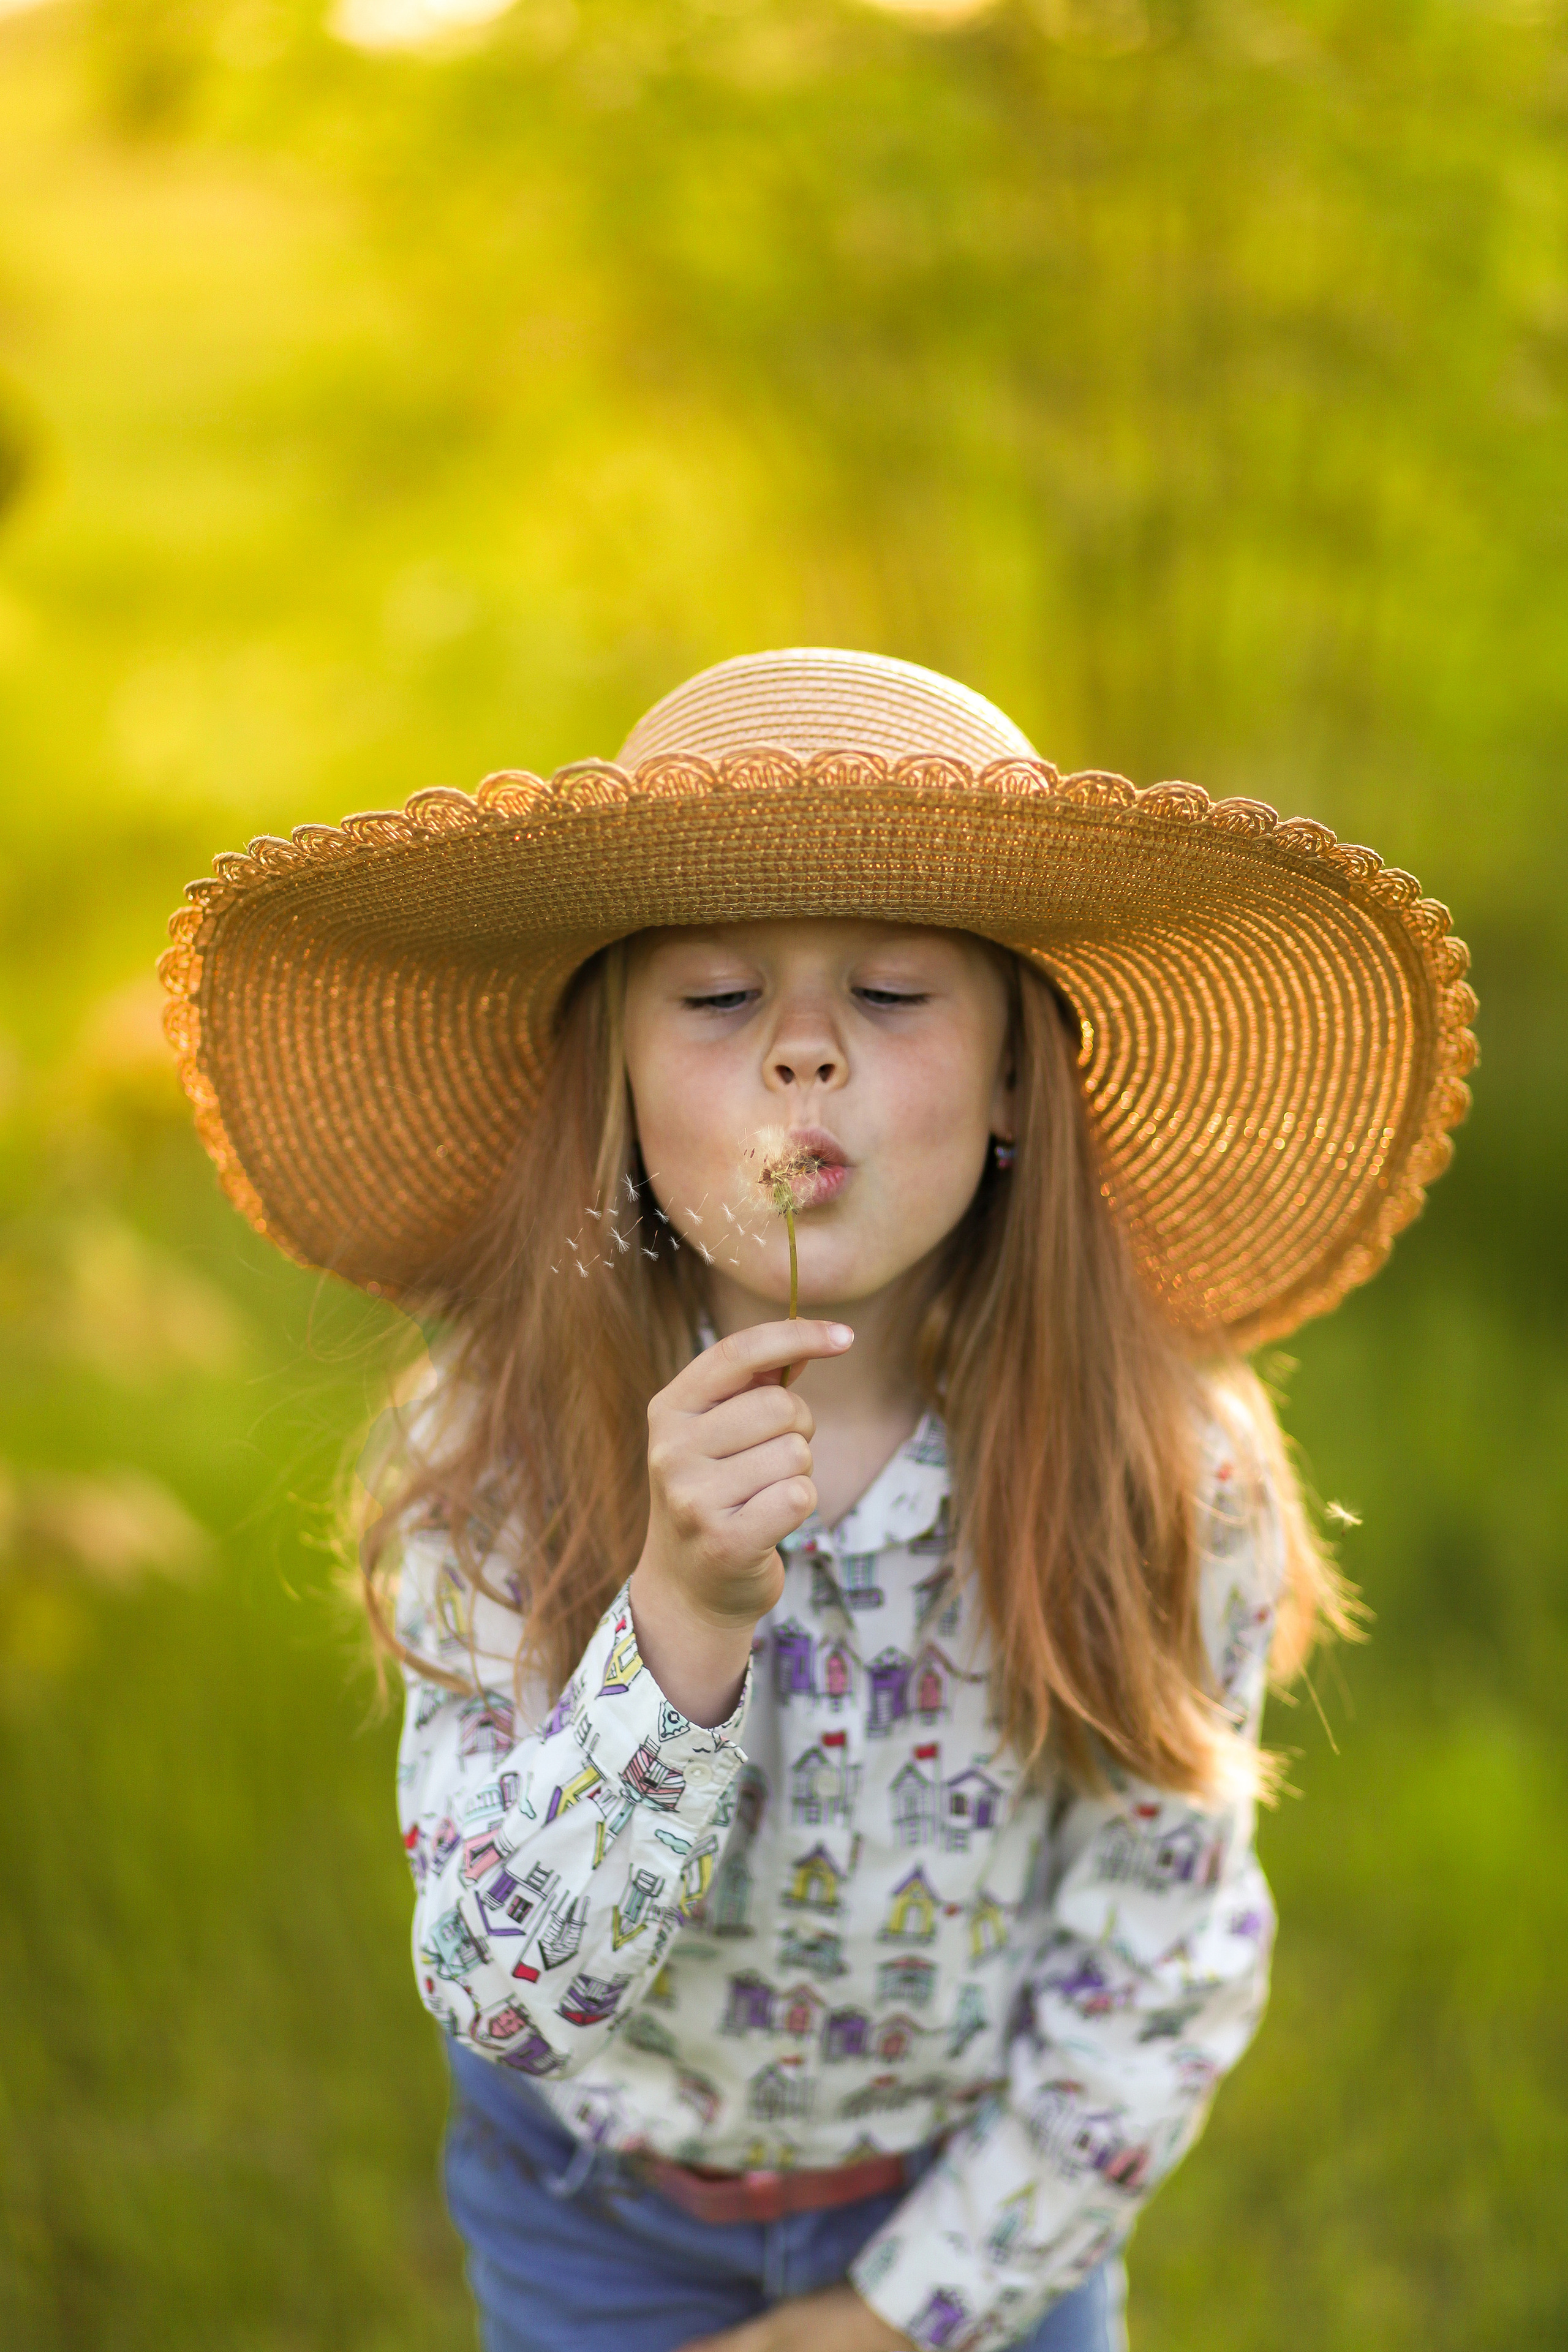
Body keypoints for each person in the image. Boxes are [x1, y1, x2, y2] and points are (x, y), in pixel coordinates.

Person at [159, 649, 1476, 2352]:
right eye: (717, 999)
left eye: (893, 993)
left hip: (979, 2216)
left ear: (1016, 1078)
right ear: (618, 1086)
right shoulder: (505, 1445)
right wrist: (676, 1617)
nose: (801, 1054)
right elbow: (501, 1996)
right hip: (601, 2219)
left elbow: (1160, 1958)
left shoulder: (1161, 1458)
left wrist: (897, 2313)